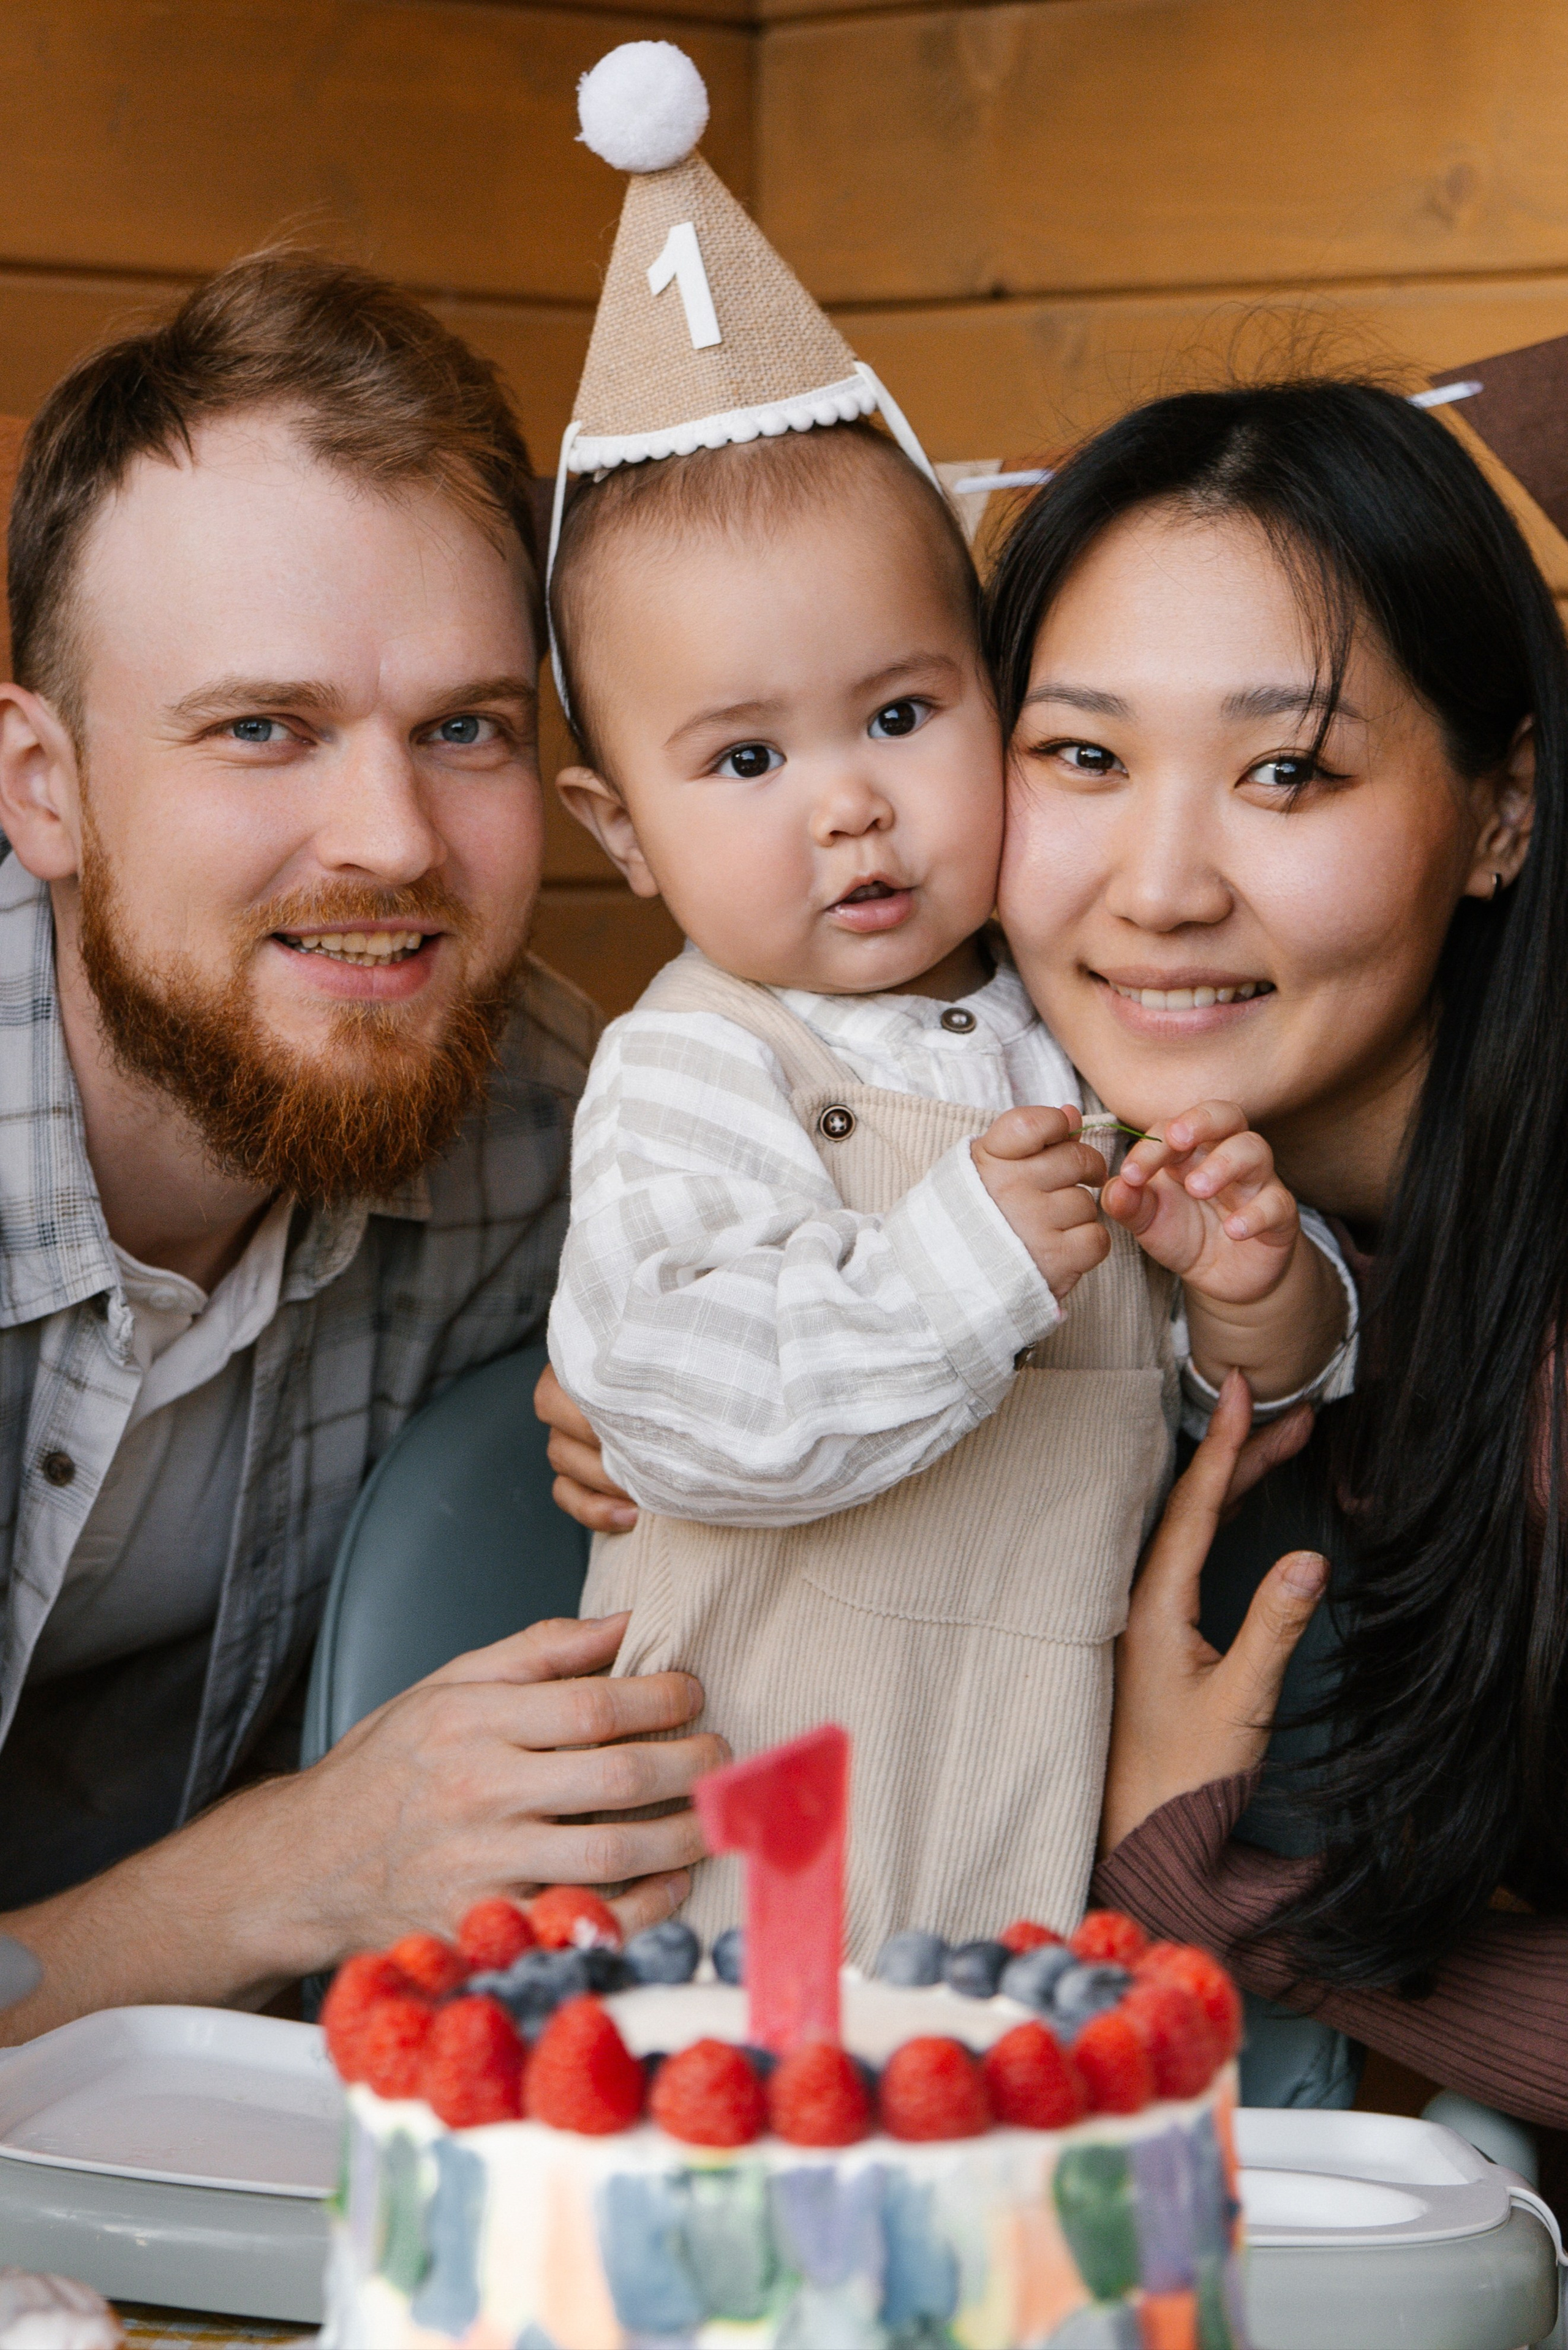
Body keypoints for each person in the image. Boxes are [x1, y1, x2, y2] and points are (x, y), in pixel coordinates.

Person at [543, 373, 1568, 2142]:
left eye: (1289, 771)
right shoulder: (1049, 1180)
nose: (1160, 885)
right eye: (1083, 755)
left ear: (1500, 812)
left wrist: (1211, 1884)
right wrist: (709, 1382)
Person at [541, 54, 1352, 1956]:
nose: (850, 803)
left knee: (973, 2158)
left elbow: (1218, 1406)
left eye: (903, 716)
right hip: (738, 1795)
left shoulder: (1074, 1034)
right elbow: (682, 1400)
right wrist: (972, 1254)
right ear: (623, 831)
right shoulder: (688, 1068)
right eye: (743, 761)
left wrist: (1261, 1288)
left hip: (1028, 1760)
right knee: (754, 2155)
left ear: (992, 695)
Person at [0, 249, 723, 2046]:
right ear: (42, 788)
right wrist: (298, 1869)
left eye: (465, 729)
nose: (390, 838)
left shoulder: (578, 1133)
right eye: (266, 729)